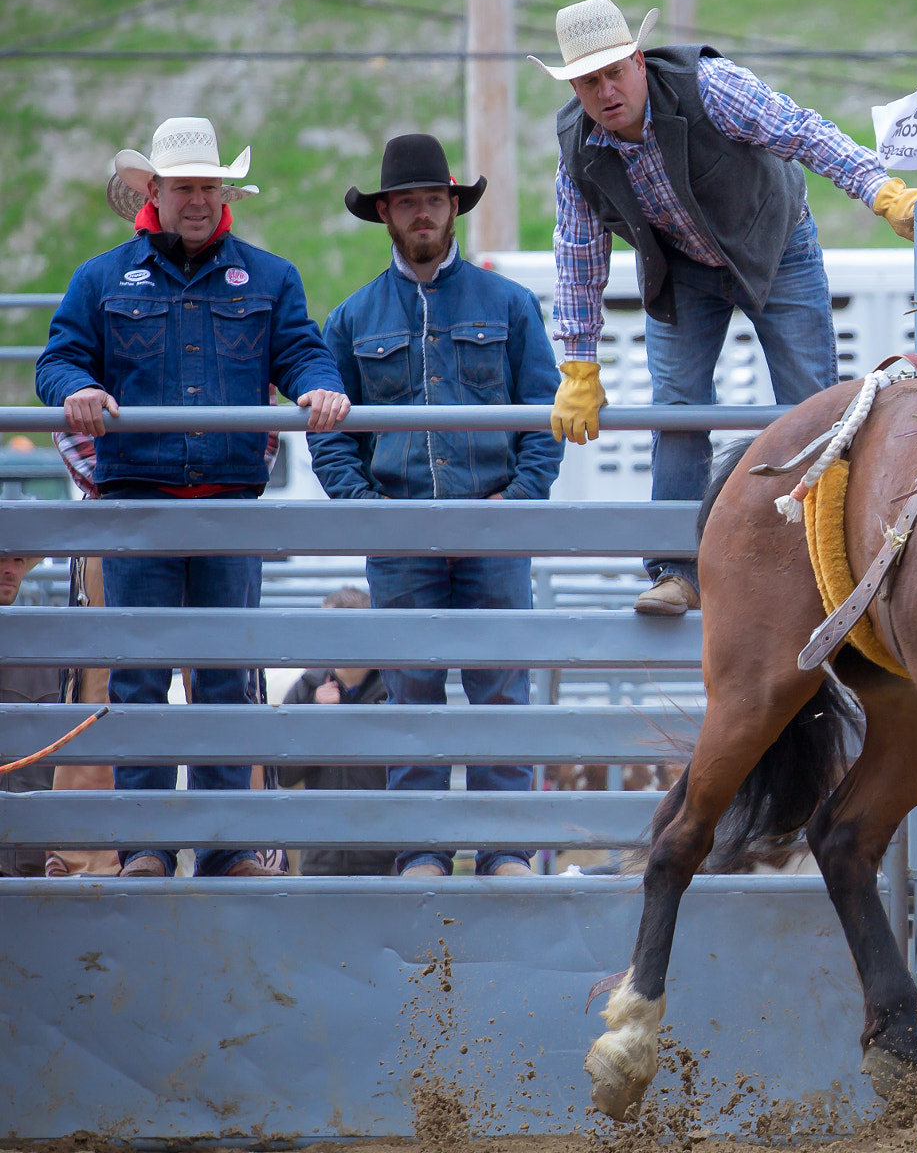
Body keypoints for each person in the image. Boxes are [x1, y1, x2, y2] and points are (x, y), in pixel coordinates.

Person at [529, 0, 917, 618]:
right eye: (589, 81)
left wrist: (878, 188)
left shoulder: (710, 86)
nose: (607, 91)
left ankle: (829, 556)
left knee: (813, 402)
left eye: (615, 72)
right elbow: (578, 256)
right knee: (677, 408)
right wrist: (579, 364)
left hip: (776, 245)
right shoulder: (579, 151)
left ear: (640, 62)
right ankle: (674, 570)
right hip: (683, 267)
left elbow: (804, 132)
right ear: (576, 89)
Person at [35, 117, 350, 879]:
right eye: (186, 187)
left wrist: (320, 384)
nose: (200, 200)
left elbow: (301, 348)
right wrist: (77, 387)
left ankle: (226, 846)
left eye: (210, 186)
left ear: (225, 190)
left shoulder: (271, 279)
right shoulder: (101, 279)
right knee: (140, 678)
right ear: (154, 192)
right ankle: (145, 846)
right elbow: (59, 359)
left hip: (227, 506)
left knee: (227, 681)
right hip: (137, 504)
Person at [310, 134, 561, 878]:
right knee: (409, 695)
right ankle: (420, 846)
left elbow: (544, 412)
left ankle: (505, 847)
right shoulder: (352, 321)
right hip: (400, 529)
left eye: (434, 200)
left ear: (453, 207)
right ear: (385, 214)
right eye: (408, 202)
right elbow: (331, 438)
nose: (422, 214)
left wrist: (518, 500)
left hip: (494, 521)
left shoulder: (510, 307)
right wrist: (368, 509)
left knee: (500, 691)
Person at [272, 587, 391, 877]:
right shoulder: (306, 689)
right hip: (322, 857)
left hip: (388, 857)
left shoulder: (394, 691)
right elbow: (285, 776)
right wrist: (318, 720)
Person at [0, 554, 63, 878]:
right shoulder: (49, 652)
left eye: (18, 559)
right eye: (0, 558)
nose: (10, 569)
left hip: (31, 866)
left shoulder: (49, 655)